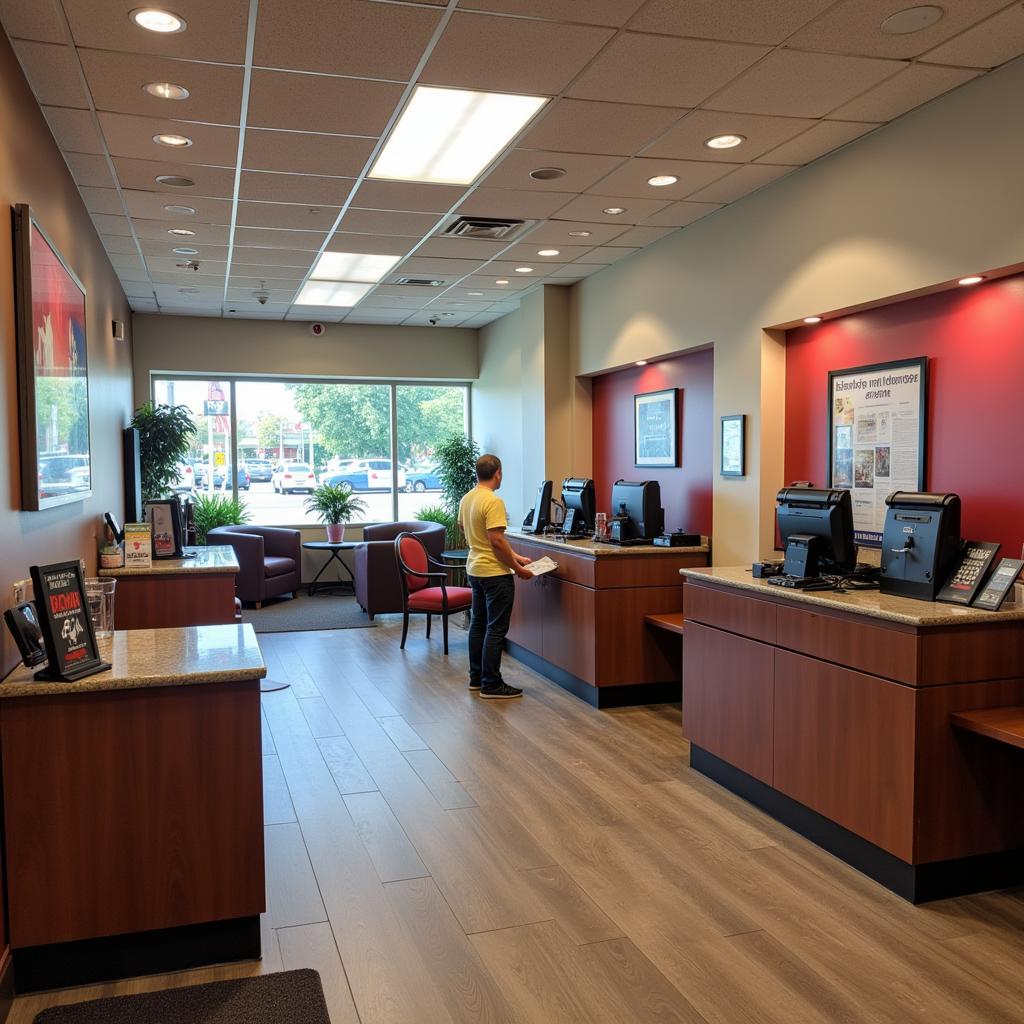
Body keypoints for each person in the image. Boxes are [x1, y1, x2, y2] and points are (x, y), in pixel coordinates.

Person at [458, 454, 534, 698]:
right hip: (494, 573)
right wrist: (518, 568)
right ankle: (491, 684)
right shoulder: (493, 501)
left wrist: (516, 557)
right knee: (495, 628)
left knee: (478, 624)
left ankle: (476, 678)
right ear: (498, 473)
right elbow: (497, 540)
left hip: (475, 570)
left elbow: (466, 529)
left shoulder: (467, 498)